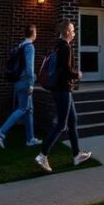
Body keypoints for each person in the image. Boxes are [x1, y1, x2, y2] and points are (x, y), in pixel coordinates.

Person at [34, 20, 91, 172]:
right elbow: (65, 70)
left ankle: (77, 155)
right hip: (62, 89)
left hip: (58, 88)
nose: (74, 33)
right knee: (62, 124)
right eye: (72, 30)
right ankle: (42, 155)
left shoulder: (56, 45)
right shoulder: (65, 46)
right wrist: (77, 74)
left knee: (72, 121)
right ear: (67, 32)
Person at [0, 25, 42, 148]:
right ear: (33, 34)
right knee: (23, 109)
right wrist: (31, 84)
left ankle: (30, 139)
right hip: (25, 82)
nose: (36, 34)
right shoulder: (30, 47)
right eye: (36, 32)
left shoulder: (21, 45)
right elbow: (29, 67)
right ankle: (1, 132)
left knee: (29, 110)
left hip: (18, 81)